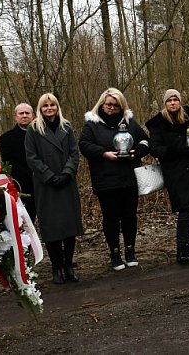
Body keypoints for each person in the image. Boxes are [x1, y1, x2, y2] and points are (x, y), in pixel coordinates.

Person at [79, 88, 149, 271]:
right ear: (102, 103)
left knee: (129, 217)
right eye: (109, 104)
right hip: (106, 181)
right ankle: (115, 253)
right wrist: (103, 153)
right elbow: (84, 145)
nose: (111, 108)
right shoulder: (92, 125)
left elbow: (145, 141)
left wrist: (136, 153)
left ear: (121, 106)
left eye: (116, 106)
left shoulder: (130, 122)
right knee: (110, 219)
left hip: (128, 179)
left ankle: (130, 250)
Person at [146, 89, 189, 264]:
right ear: (165, 104)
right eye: (169, 100)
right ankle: (181, 249)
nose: (173, 103)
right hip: (175, 172)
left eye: (175, 99)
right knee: (184, 209)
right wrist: (176, 149)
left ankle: (186, 248)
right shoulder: (158, 123)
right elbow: (155, 148)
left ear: (180, 102)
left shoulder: (187, 118)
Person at [25, 93, 84, 284]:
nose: (49, 108)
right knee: (52, 229)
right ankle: (56, 267)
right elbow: (31, 157)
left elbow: (74, 153)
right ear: (40, 109)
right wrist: (50, 176)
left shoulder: (66, 127)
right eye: (45, 106)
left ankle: (68, 265)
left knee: (69, 227)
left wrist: (67, 173)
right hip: (46, 186)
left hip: (66, 183)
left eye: (52, 105)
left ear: (57, 107)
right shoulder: (33, 129)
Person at [0, 103, 36, 220]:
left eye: (27, 113)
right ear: (15, 117)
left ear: (33, 115)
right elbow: (8, 162)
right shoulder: (6, 138)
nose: (24, 116)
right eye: (21, 113)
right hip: (21, 185)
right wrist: (30, 173)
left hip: (43, 183)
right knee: (26, 220)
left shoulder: (41, 134)